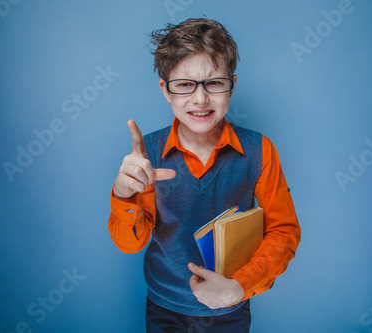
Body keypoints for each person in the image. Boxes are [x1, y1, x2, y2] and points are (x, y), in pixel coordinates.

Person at [107, 17, 301, 332]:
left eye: (213, 82)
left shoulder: (260, 151)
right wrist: (123, 193)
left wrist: (239, 286)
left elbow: (284, 232)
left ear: (232, 85)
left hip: (230, 308)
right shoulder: (147, 155)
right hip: (164, 307)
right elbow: (130, 244)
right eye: (184, 84)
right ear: (165, 90)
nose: (200, 99)